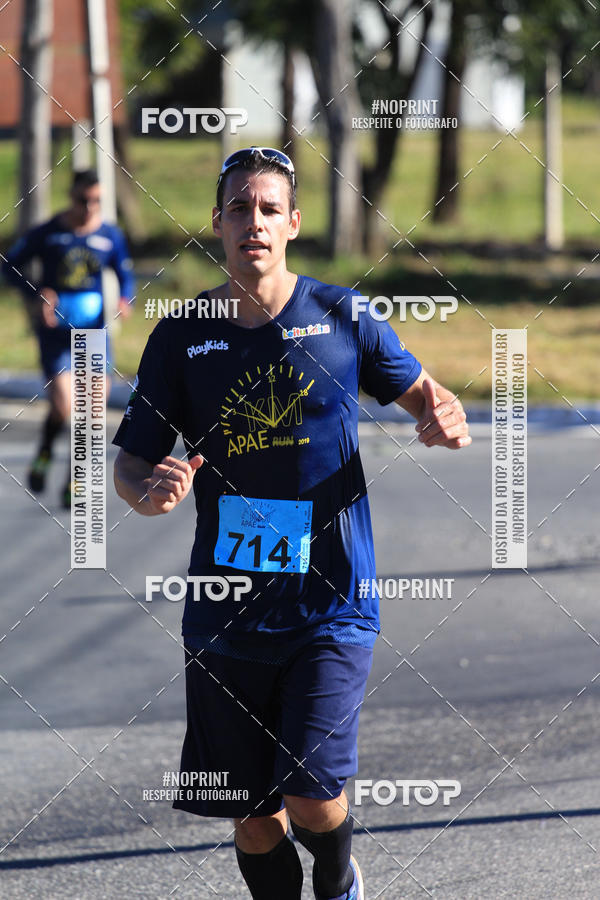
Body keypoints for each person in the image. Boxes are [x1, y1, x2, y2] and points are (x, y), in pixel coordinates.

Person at [113, 147, 470, 900]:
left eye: (269, 208)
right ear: (216, 223)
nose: (254, 222)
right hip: (225, 611)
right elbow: (133, 465)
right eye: (239, 208)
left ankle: (339, 883)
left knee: (311, 793)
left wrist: (445, 420)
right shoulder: (183, 335)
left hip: (332, 602)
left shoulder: (344, 316)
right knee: (252, 817)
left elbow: (429, 398)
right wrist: (151, 492)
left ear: (294, 223)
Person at [2, 168, 134, 507]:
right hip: (57, 334)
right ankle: (45, 450)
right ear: (71, 197)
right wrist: (36, 293)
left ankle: (74, 480)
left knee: (92, 412)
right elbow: (9, 265)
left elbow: (124, 272)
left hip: (95, 333)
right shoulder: (48, 233)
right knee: (63, 405)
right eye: (83, 200)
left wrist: (124, 297)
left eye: (96, 201)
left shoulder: (109, 235)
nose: (89, 208)